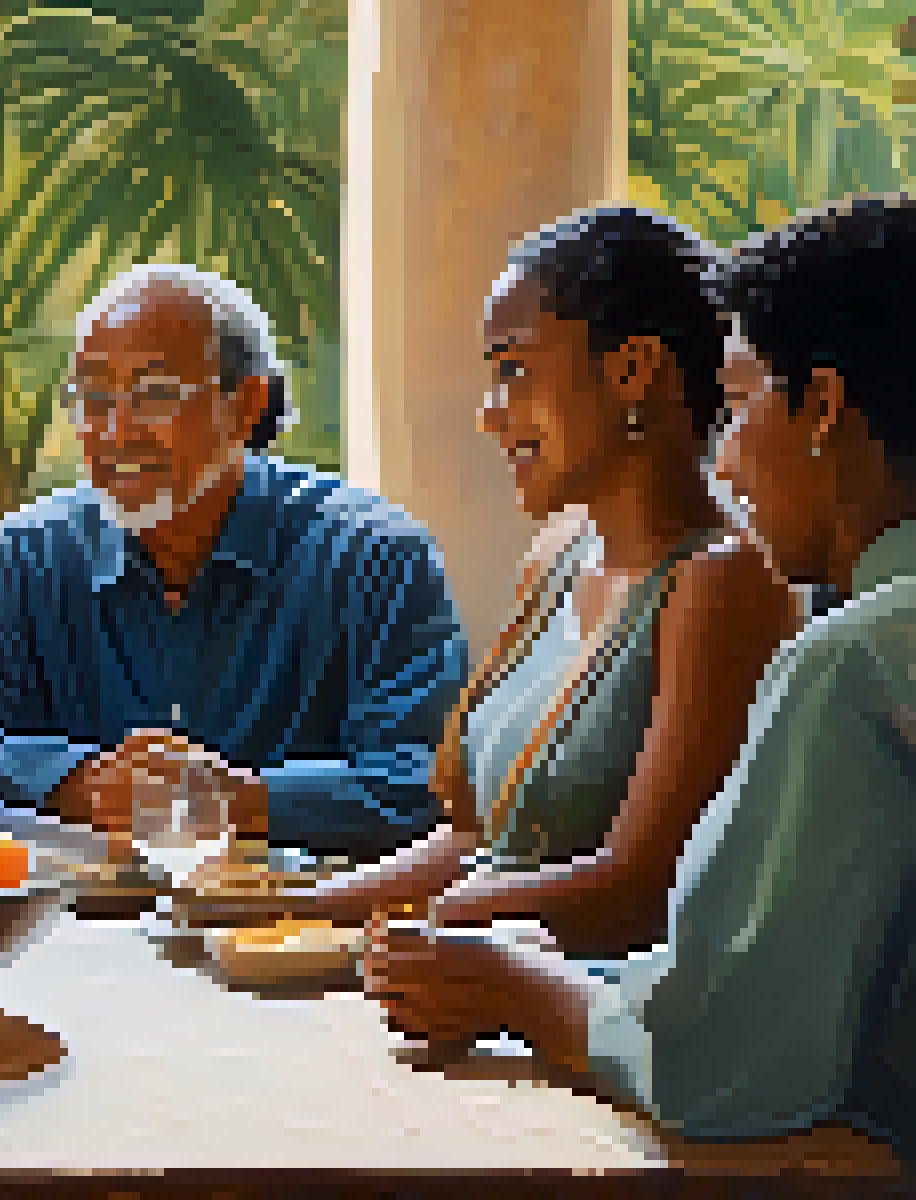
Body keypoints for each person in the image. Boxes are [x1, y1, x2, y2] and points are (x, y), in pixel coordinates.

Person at [364, 193, 916, 1156]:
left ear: (822, 410)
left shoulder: (852, 661)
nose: (724, 456)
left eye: (736, 405)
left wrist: (515, 987)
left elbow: (720, 1060)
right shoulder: (571, 560)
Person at [229, 209, 796, 958]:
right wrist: (280, 908)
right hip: (471, 978)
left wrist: (413, 930)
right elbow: (474, 844)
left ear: (633, 369)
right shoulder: (558, 555)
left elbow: (641, 894)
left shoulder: (721, 583)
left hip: (594, 1012)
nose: (490, 415)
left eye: (514, 370)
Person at [0, 264, 468, 859]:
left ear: (248, 405)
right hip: (67, 910)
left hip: (303, 913)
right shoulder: (14, 563)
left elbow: (430, 784)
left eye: (155, 395)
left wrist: (235, 801)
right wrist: (80, 783)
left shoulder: (375, 557)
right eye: (93, 398)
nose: (117, 432)